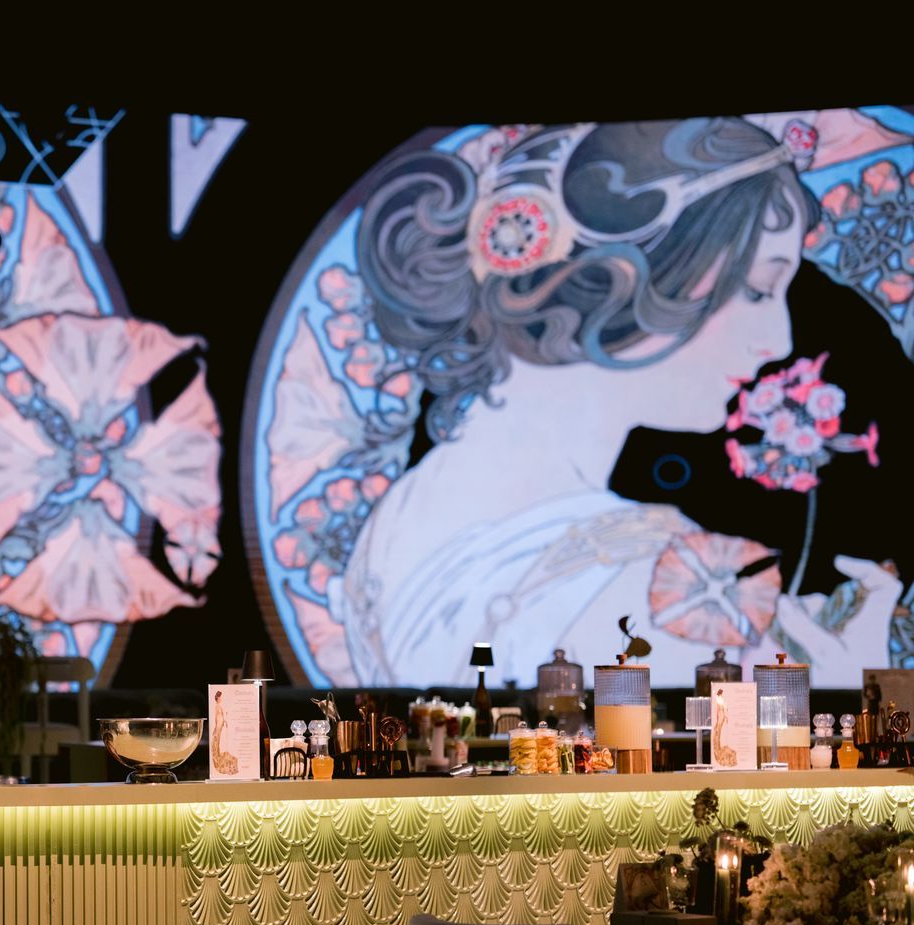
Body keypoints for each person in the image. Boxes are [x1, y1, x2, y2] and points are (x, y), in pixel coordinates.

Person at [340, 118, 900, 685]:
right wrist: (851, 692)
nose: (779, 342)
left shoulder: (411, 506)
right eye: (756, 290)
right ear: (624, 281)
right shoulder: (656, 593)